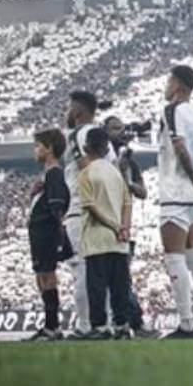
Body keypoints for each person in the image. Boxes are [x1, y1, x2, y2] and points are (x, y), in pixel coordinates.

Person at [157, 65, 193, 340]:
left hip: (176, 192)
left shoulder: (172, 110)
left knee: (174, 258)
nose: (166, 85)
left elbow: (180, 148)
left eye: (169, 80)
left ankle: (185, 324)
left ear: (178, 85)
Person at [73, 127, 134, 340]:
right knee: (120, 287)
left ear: (86, 147)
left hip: (97, 238)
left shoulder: (86, 173)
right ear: (107, 147)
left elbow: (90, 207)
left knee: (97, 288)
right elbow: (128, 203)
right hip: (118, 241)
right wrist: (124, 228)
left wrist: (113, 226)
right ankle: (122, 326)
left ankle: (99, 327)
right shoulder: (115, 173)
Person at [63, 90, 111, 334]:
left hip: (82, 208)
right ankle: (107, 325)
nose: (67, 112)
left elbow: (86, 168)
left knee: (81, 269)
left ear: (78, 110)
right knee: (101, 272)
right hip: (103, 209)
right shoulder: (102, 138)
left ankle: (84, 326)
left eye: (69, 107)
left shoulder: (78, 135)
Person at [104, 115, 155, 339]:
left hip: (124, 225)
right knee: (111, 279)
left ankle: (132, 322)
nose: (120, 133)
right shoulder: (100, 158)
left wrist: (128, 181)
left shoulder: (128, 161)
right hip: (104, 222)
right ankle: (123, 322)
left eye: (122, 128)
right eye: (114, 128)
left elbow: (143, 192)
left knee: (121, 280)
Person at [24, 128, 71, 342]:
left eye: (38, 145)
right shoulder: (48, 175)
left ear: (49, 148)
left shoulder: (54, 173)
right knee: (41, 275)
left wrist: (58, 233)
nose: (35, 150)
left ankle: (53, 326)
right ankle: (49, 325)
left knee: (47, 275)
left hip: (46, 232)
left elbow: (58, 205)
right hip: (39, 232)